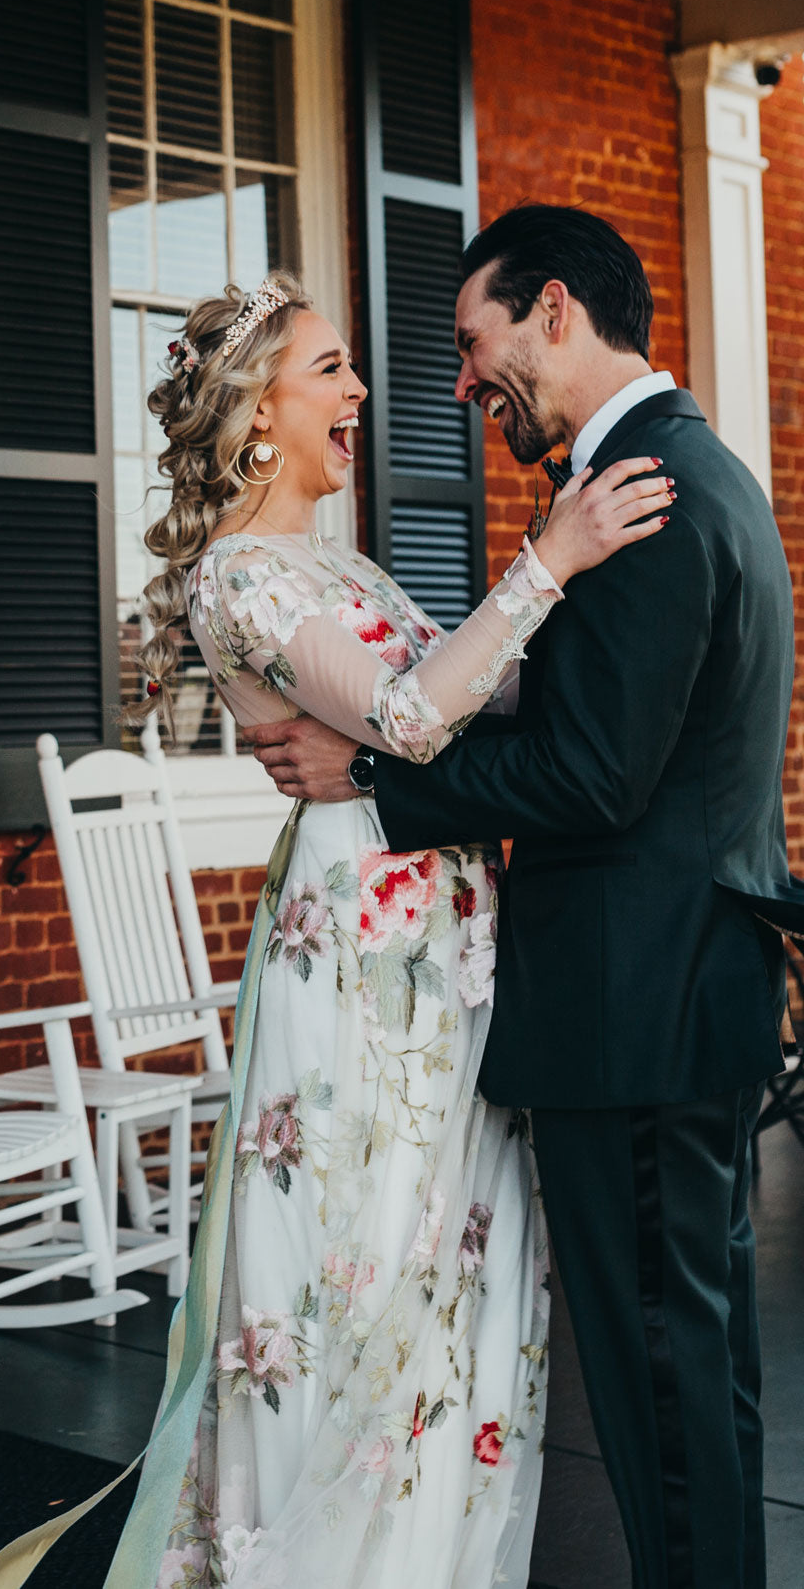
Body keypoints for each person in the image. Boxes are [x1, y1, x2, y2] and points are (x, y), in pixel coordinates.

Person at [0, 271, 670, 1589]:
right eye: (333, 370)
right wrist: (552, 560)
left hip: (452, 947)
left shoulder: (340, 564)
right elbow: (412, 718)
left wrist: (601, 636)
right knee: (356, 1271)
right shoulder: (234, 580)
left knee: (458, 1268)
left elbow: (475, 694)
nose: (362, 392)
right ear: (256, 413)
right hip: (360, 959)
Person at [248, 207, 803, 1589]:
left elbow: (593, 774)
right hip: (683, 996)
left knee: (664, 1389)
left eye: (470, 342)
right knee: (698, 1375)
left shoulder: (652, 493)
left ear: (555, 310)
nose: (456, 382)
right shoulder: (680, 471)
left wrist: (371, 783)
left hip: (636, 1009)